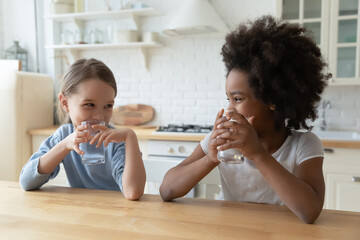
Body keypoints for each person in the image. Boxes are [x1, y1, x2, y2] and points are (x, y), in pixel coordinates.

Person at [159, 15, 331, 223]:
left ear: (273, 99)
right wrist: (210, 159)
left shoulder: (303, 146)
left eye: (238, 99)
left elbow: (310, 211)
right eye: (228, 99)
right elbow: (166, 190)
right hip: (228, 229)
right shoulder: (220, 141)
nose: (229, 109)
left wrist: (258, 154)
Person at [19, 58, 146, 200]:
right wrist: (64, 146)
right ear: (65, 103)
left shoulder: (117, 140)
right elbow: (26, 181)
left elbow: (133, 192)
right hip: (79, 214)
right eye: (89, 104)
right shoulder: (64, 136)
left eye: (108, 106)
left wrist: (130, 137)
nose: (99, 116)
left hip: (114, 213)